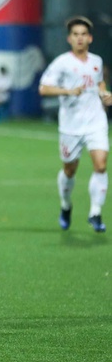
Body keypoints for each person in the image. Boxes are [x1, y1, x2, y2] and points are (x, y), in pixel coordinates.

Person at [39, 16, 112, 233]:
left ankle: (95, 212)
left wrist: (104, 95)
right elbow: (44, 88)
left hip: (96, 121)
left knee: (101, 164)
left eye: (83, 34)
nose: (79, 38)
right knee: (70, 170)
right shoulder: (62, 63)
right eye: (75, 35)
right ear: (69, 39)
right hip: (71, 126)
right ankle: (66, 205)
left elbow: (99, 83)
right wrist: (68, 91)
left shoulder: (96, 61)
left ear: (89, 38)